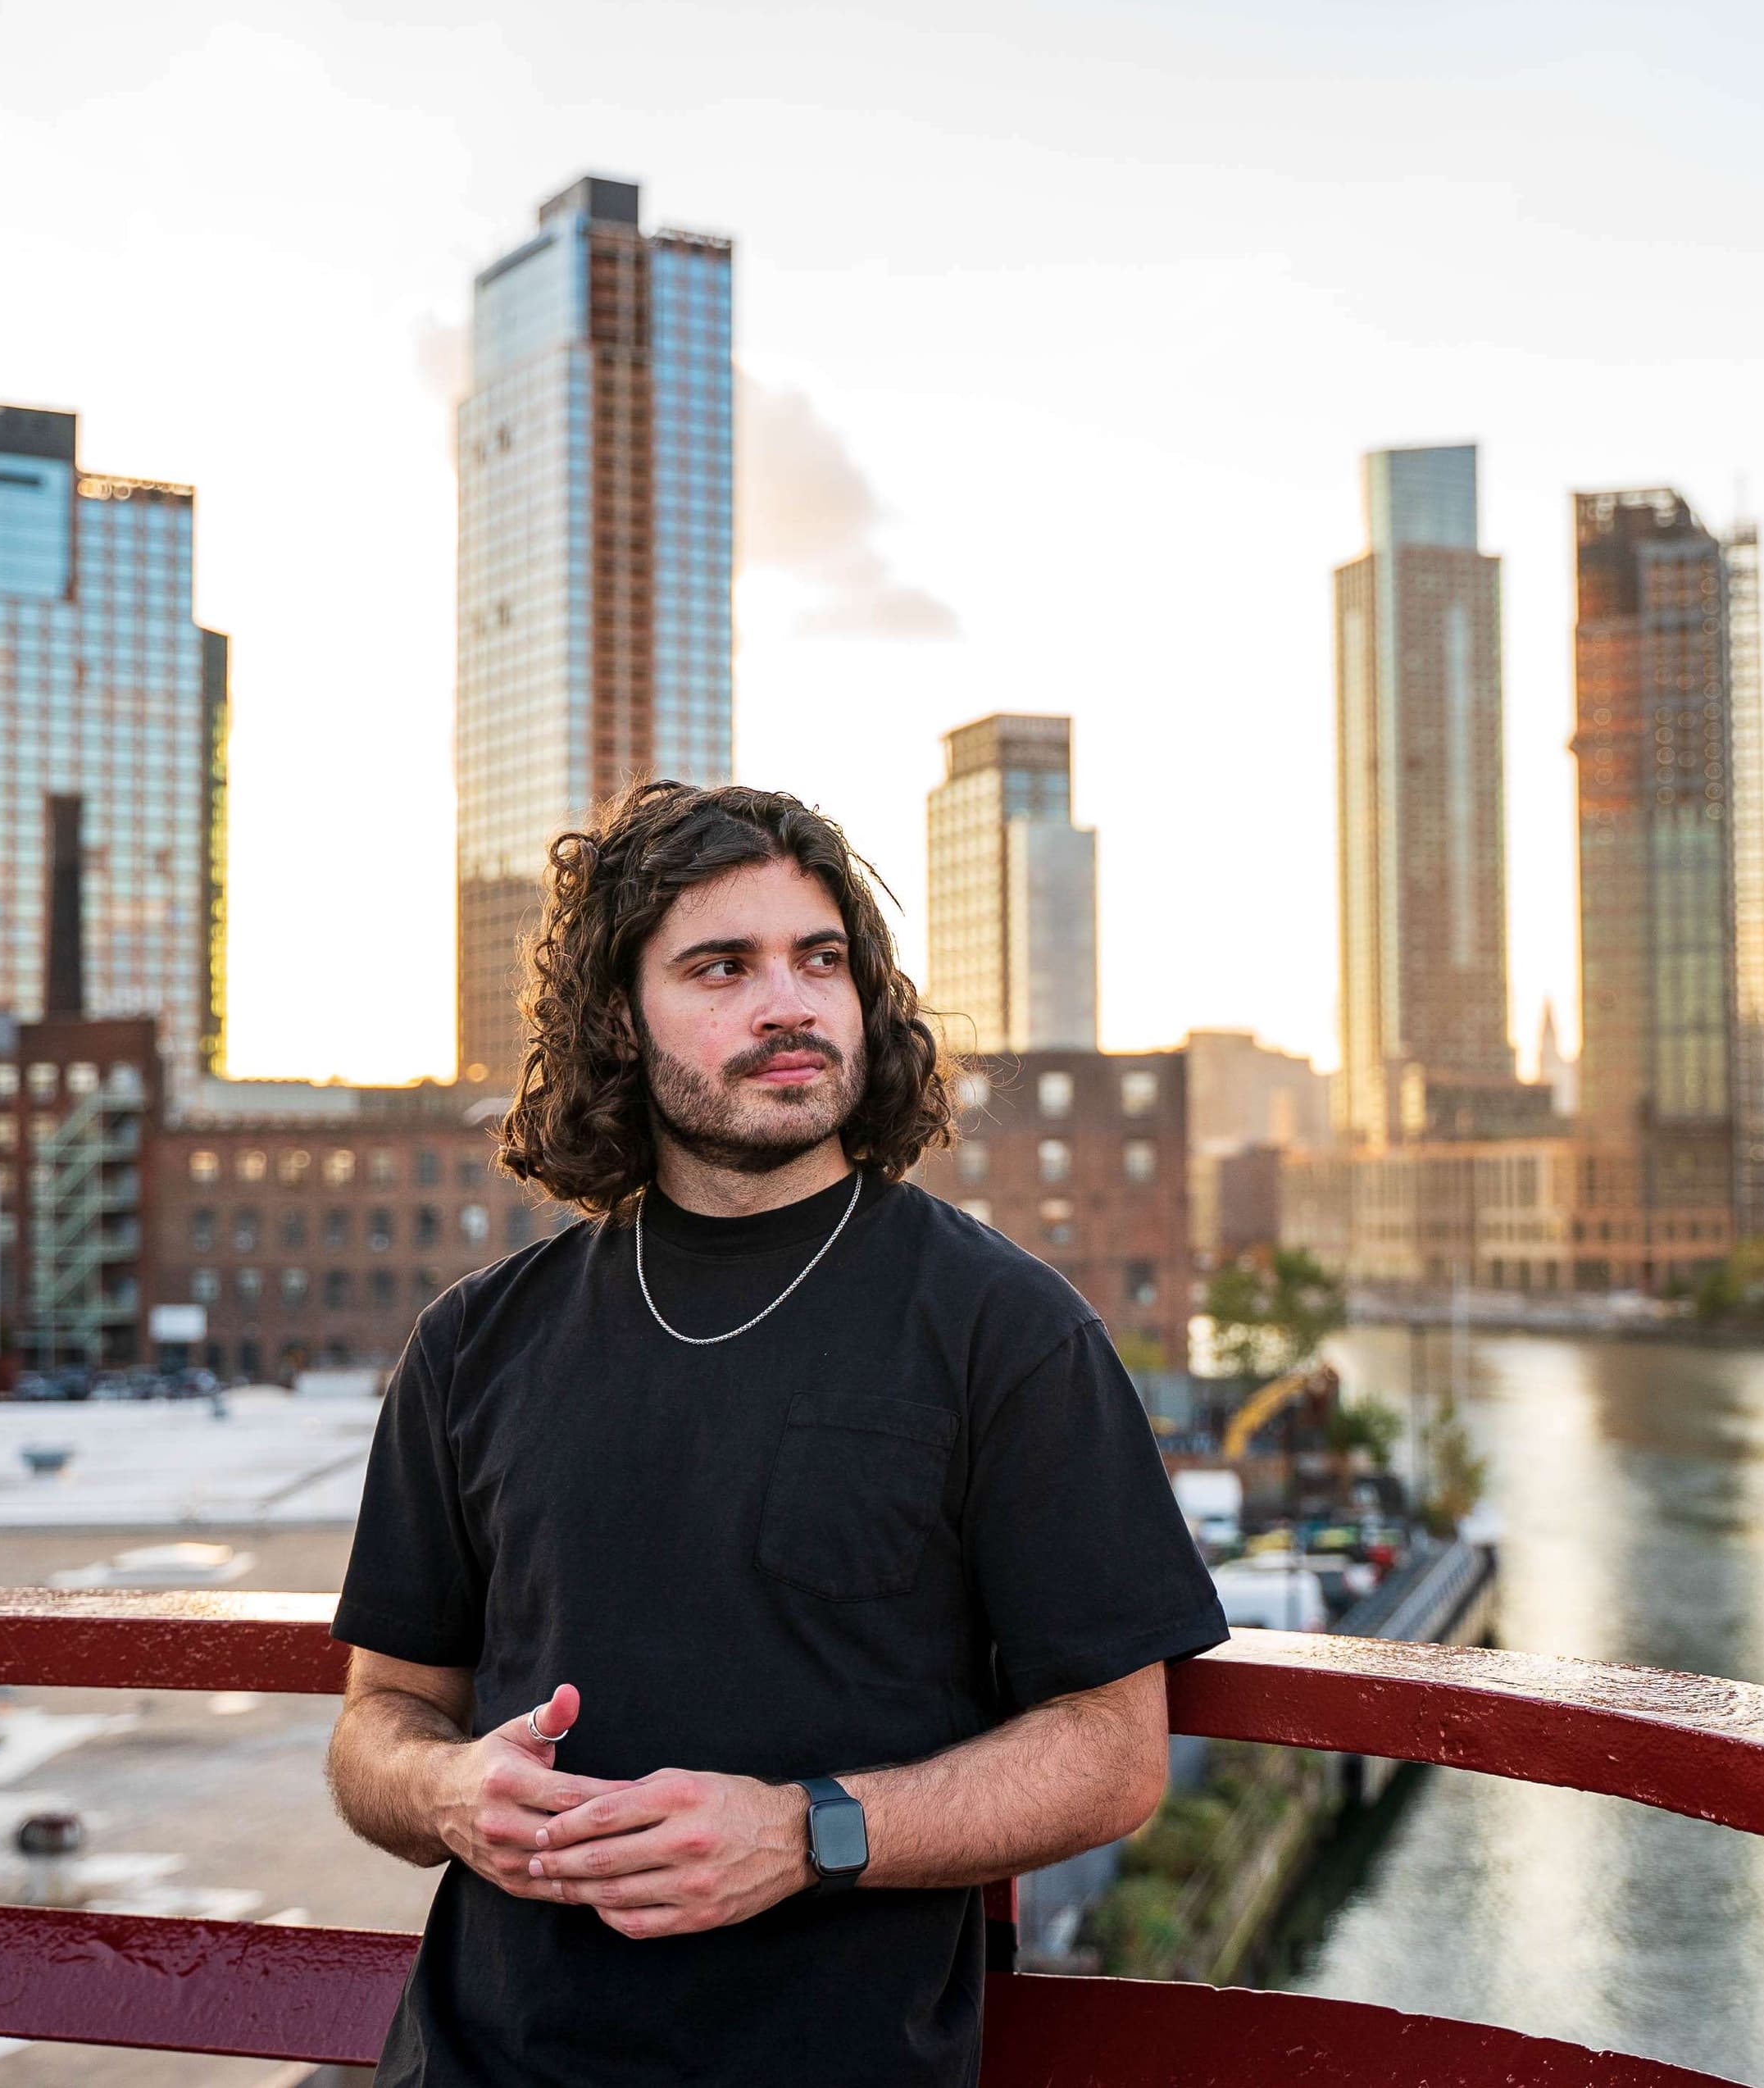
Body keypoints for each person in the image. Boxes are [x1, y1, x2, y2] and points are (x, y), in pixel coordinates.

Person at [325, 781, 1227, 2086]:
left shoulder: (1007, 1328)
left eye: (820, 960)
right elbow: (378, 1724)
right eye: (720, 966)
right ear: (620, 1022)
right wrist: (450, 1792)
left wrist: (808, 1832)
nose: (789, 1002)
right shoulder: (474, 1340)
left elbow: (1110, 1748)